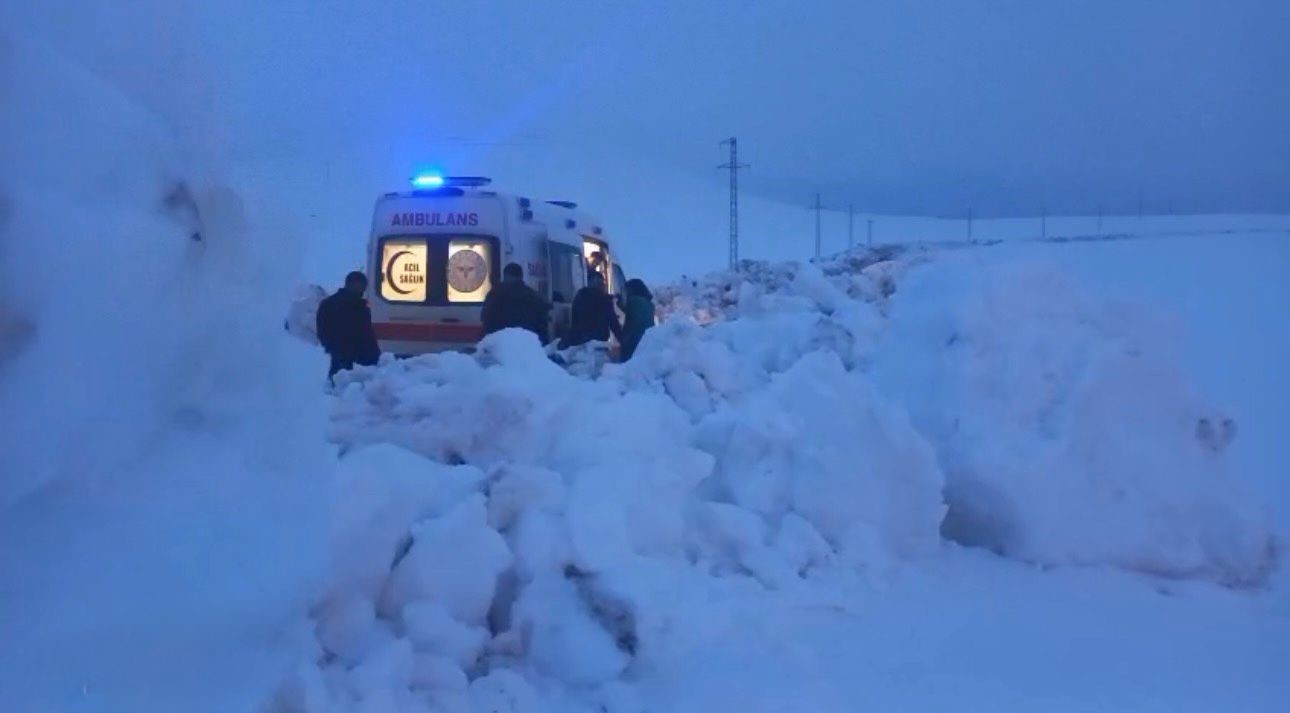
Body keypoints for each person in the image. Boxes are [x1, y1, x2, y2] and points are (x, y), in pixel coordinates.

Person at [316, 271, 381, 381]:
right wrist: (376, 357)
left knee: (338, 384)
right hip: (355, 356)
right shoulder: (360, 307)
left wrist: (330, 347)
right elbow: (367, 334)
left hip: (341, 354)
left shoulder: (329, 303)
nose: (363, 290)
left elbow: (322, 330)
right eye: (361, 286)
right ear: (351, 284)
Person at [481, 263, 550, 343]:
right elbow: (542, 326)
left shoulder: (494, 294)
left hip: (501, 345)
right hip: (528, 345)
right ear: (521, 276)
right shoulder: (534, 296)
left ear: (505, 276)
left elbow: (485, 318)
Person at [559, 271, 622, 349]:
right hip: (597, 341)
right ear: (600, 284)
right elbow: (613, 323)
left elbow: (574, 319)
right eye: (602, 283)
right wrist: (623, 341)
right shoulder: (604, 300)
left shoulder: (580, 295)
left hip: (578, 339)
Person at [620, 278, 655, 361]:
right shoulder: (650, 304)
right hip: (648, 340)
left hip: (632, 340)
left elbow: (628, 310)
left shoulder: (632, 301)